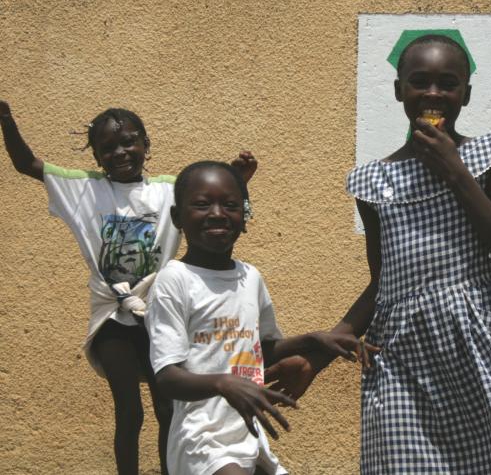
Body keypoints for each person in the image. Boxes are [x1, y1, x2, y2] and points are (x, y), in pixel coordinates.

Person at [266, 34, 491, 473]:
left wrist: (456, 173)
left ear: (467, 93)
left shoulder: (489, 154)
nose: (434, 94)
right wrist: (319, 355)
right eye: (420, 81)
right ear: (399, 89)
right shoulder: (373, 183)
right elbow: (384, 285)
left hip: (478, 351)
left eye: (448, 83)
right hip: (402, 361)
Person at [0, 101, 257, 475]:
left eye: (129, 142)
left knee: (167, 404)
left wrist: (238, 176)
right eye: (108, 148)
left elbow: (208, 198)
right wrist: (6, 121)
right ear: (98, 156)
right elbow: (27, 165)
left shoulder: (170, 189)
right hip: (112, 316)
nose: (120, 152)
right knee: (129, 411)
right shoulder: (84, 189)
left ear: (146, 144)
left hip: (160, 313)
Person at [147, 161, 366, 475]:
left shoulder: (250, 278)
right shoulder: (174, 280)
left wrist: (312, 340)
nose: (218, 213)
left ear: (244, 218)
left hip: (248, 434)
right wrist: (224, 383)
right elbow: (167, 378)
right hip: (201, 439)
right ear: (177, 218)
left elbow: (259, 350)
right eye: (202, 204)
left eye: (231, 205)